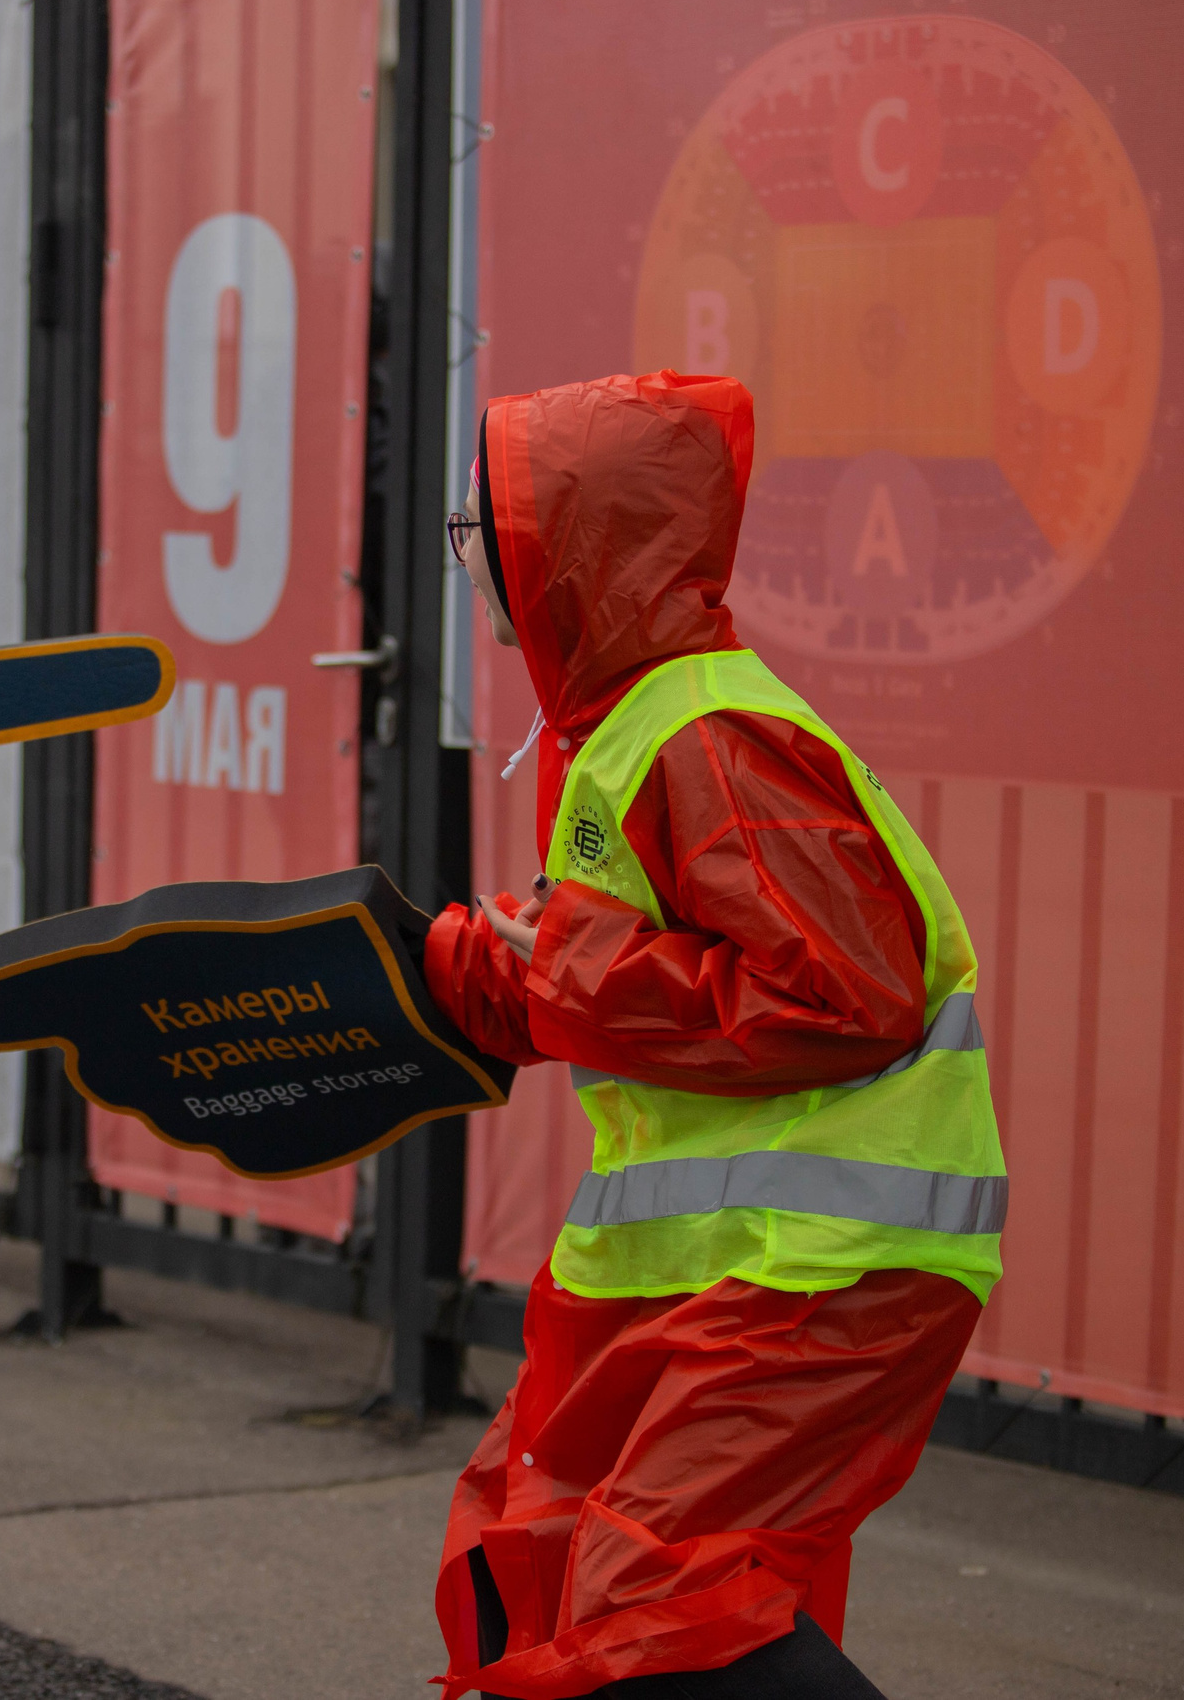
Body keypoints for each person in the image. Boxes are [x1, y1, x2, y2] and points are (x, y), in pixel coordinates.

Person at [422, 371, 1006, 1699]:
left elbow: (846, 993)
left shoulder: (706, 732)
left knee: (660, 1598)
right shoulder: (629, 730)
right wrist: (451, 968)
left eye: (484, 532)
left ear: (566, 549)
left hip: (823, 1265)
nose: (474, 562)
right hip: (739, 1264)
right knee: (568, 1563)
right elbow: (616, 966)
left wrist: (564, 967)